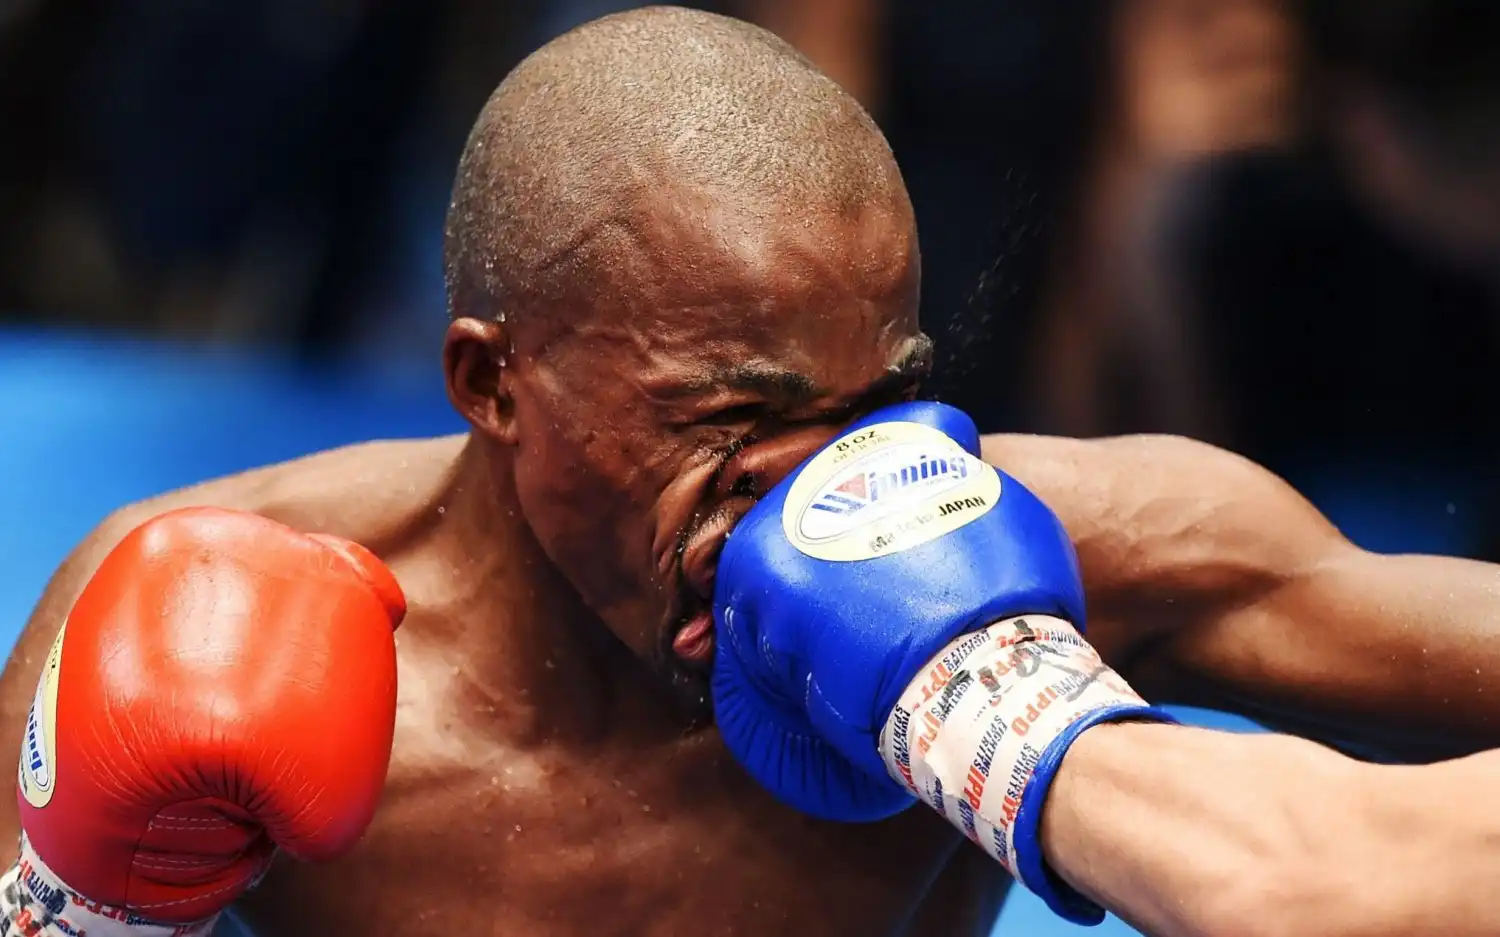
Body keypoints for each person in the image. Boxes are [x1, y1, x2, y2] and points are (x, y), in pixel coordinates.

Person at [0, 6, 1498, 935]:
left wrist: (1015, 710)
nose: (808, 488)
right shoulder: (185, 617)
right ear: (492, 381)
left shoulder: (1060, 557)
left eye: (877, 404)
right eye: (725, 421)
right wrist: (77, 917)